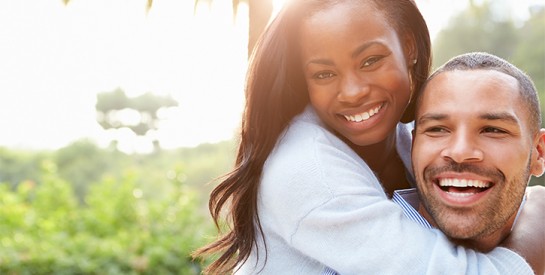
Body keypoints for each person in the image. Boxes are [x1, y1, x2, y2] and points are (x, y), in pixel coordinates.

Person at [193, 0, 545, 274]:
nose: (352, 92)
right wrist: (535, 223)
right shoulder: (306, 168)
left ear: (409, 47)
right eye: (324, 74)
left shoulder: (411, 141)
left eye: (370, 61)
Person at [324, 52, 545, 275]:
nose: (460, 152)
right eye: (437, 129)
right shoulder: (346, 263)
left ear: (539, 153)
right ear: (412, 145)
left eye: (493, 130)